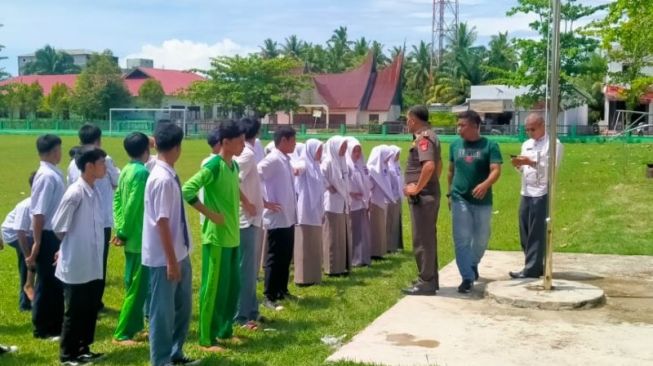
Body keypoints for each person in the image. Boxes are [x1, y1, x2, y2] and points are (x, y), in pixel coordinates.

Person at [183, 120, 245, 351]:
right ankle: (206, 338)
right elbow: (188, 189)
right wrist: (210, 214)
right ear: (225, 142)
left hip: (232, 236)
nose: (243, 146)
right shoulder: (214, 166)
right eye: (239, 142)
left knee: (231, 288)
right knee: (212, 287)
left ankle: (225, 330)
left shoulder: (234, 166)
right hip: (216, 238)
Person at [143, 123, 198, 366]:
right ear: (177, 148)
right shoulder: (162, 179)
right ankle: (161, 360)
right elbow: (161, 223)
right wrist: (171, 261)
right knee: (162, 313)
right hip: (165, 258)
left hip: (179, 251)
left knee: (182, 309)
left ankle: (176, 352)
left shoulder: (164, 171)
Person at [52, 146, 108, 365]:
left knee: (90, 307)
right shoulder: (75, 192)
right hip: (77, 262)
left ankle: (84, 348)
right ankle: (68, 354)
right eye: (102, 163)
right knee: (74, 310)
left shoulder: (93, 190)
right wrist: (65, 248)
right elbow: (58, 226)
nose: (105, 166)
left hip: (92, 261)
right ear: (89, 166)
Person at [448, 110, 503, 294]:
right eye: (458, 125)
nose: (459, 129)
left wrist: (485, 184)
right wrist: (449, 194)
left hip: (482, 200)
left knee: (481, 238)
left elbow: (496, 169)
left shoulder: (490, 145)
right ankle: (467, 277)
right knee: (461, 239)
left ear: (474, 126)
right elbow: (450, 170)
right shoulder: (455, 145)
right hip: (459, 197)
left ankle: (472, 263)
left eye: (462, 125)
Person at [67, 123, 120, 310]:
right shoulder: (105, 159)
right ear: (98, 140)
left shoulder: (74, 161)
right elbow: (117, 181)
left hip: (80, 219)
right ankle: (94, 302)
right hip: (101, 219)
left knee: (83, 259)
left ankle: (81, 300)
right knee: (98, 263)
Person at [509, 113, 563, 279]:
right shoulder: (526, 144)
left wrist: (529, 161)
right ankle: (534, 263)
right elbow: (524, 168)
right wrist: (519, 165)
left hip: (542, 191)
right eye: (527, 130)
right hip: (526, 191)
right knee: (524, 228)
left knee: (537, 231)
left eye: (533, 129)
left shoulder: (554, 144)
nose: (530, 132)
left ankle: (531, 269)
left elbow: (551, 167)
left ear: (542, 126)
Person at [112, 132, 151, 345]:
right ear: (146, 149)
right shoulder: (142, 173)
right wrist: (124, 232)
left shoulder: (126, 169)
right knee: (137, 288)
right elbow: (133, 205)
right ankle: (122, 333)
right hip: (137, 237)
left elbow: (117, 200)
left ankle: (135, 327)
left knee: (133, 285)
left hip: (130, 236)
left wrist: (120, 228)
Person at [27, 134, 65, 340]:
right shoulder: (46, 176)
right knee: (46, 281)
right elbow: (38, 212)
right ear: (53, 151)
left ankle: (55, 324)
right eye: (59, 149)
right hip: (48, 235)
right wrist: (38, 241)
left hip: (55, 234)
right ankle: (42, 328)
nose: (61, 153)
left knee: (56, 281)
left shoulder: (53, 172)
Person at [402, 106, 443, 296]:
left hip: (422, 197)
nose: (407, 123)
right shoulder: (430, 136)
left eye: (407, 119)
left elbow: (429, 166)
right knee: (426, 238)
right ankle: (429, 278)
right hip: (427, 193)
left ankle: (426, 281)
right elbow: (439, 166)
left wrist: (417, 188)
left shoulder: (424, 138)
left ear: (413, 120)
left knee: (422, 240)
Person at [258, 126, 297, 311]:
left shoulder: (285, 159)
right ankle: (269, 295)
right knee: (274, 256)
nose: (295, 144)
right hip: (277, 216)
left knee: (285, 255)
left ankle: (282, 289)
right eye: (293, 140)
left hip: (288, 215)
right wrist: (264, 202)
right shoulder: (272, 159)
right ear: (283, 140)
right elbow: (255, 175)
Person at [234, 118, 266, 329]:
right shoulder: (246, 154)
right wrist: (247, 203)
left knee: (251, 269)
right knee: (246, 270)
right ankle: (242, 316)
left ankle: (252, 310)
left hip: (253, 218)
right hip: (245, 219)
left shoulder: (250, 151)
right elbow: (231, 181)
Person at [1, 172, 36, 311]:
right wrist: (29, 255)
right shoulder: (26, 205)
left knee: (34, 259)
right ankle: (25, 302)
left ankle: (31, 296)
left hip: (27, 233)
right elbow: (19, 232)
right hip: (14, 234)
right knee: (27, 262)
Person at [294, 138, 326, 286]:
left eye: (321, 150)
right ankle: (303, 277)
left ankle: (314, 275)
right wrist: (296, 170)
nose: (320, 152)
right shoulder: (305, 163)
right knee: (305, 242)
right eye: (318, 150)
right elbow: (297, 168)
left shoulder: (317, 166)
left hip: (316, 209)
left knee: (314, 242)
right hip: (305, 209)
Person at [321, 136, 352, 276]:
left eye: (345, 147)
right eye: (342, 147)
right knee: (332, 237)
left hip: (343, 203)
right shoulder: (327, 162)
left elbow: (345, 180)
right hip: (331, 204)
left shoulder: (342, 161)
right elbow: (320, 177)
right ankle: (331, 267)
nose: (344, 149)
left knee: (340, 236)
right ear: (334, 147)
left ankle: (341, 266)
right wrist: (328, 186)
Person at [345, 137, 372, 267]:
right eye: (354, 151)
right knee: (353, 231)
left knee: (362, 232)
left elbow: (368, 182)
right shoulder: (347, 166)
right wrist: (351, 193)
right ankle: (353, 258)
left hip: (362, 202)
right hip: (352, 203)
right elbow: (343, 184)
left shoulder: (361, 165)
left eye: (359, 151)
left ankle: (362, 257)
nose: (357, 154)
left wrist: (368, 197)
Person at [367, 145, 395, 259]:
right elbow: (368, 185)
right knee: (375, 227)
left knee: (380, 227)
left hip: (381, 201)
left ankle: (380, 251)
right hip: (373, 201)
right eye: (387, 156)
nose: (388, 159)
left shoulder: (384, 167)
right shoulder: (372, 169)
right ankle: (374, 251)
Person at [386, 145, 404, 253]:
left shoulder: (397, 165)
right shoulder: (388, 167)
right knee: (391, 222)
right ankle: (389, 246)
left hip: (398, 197)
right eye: (396, 154)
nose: (398, 156)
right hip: (391, 198)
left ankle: (396, 245)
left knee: (396, 222)